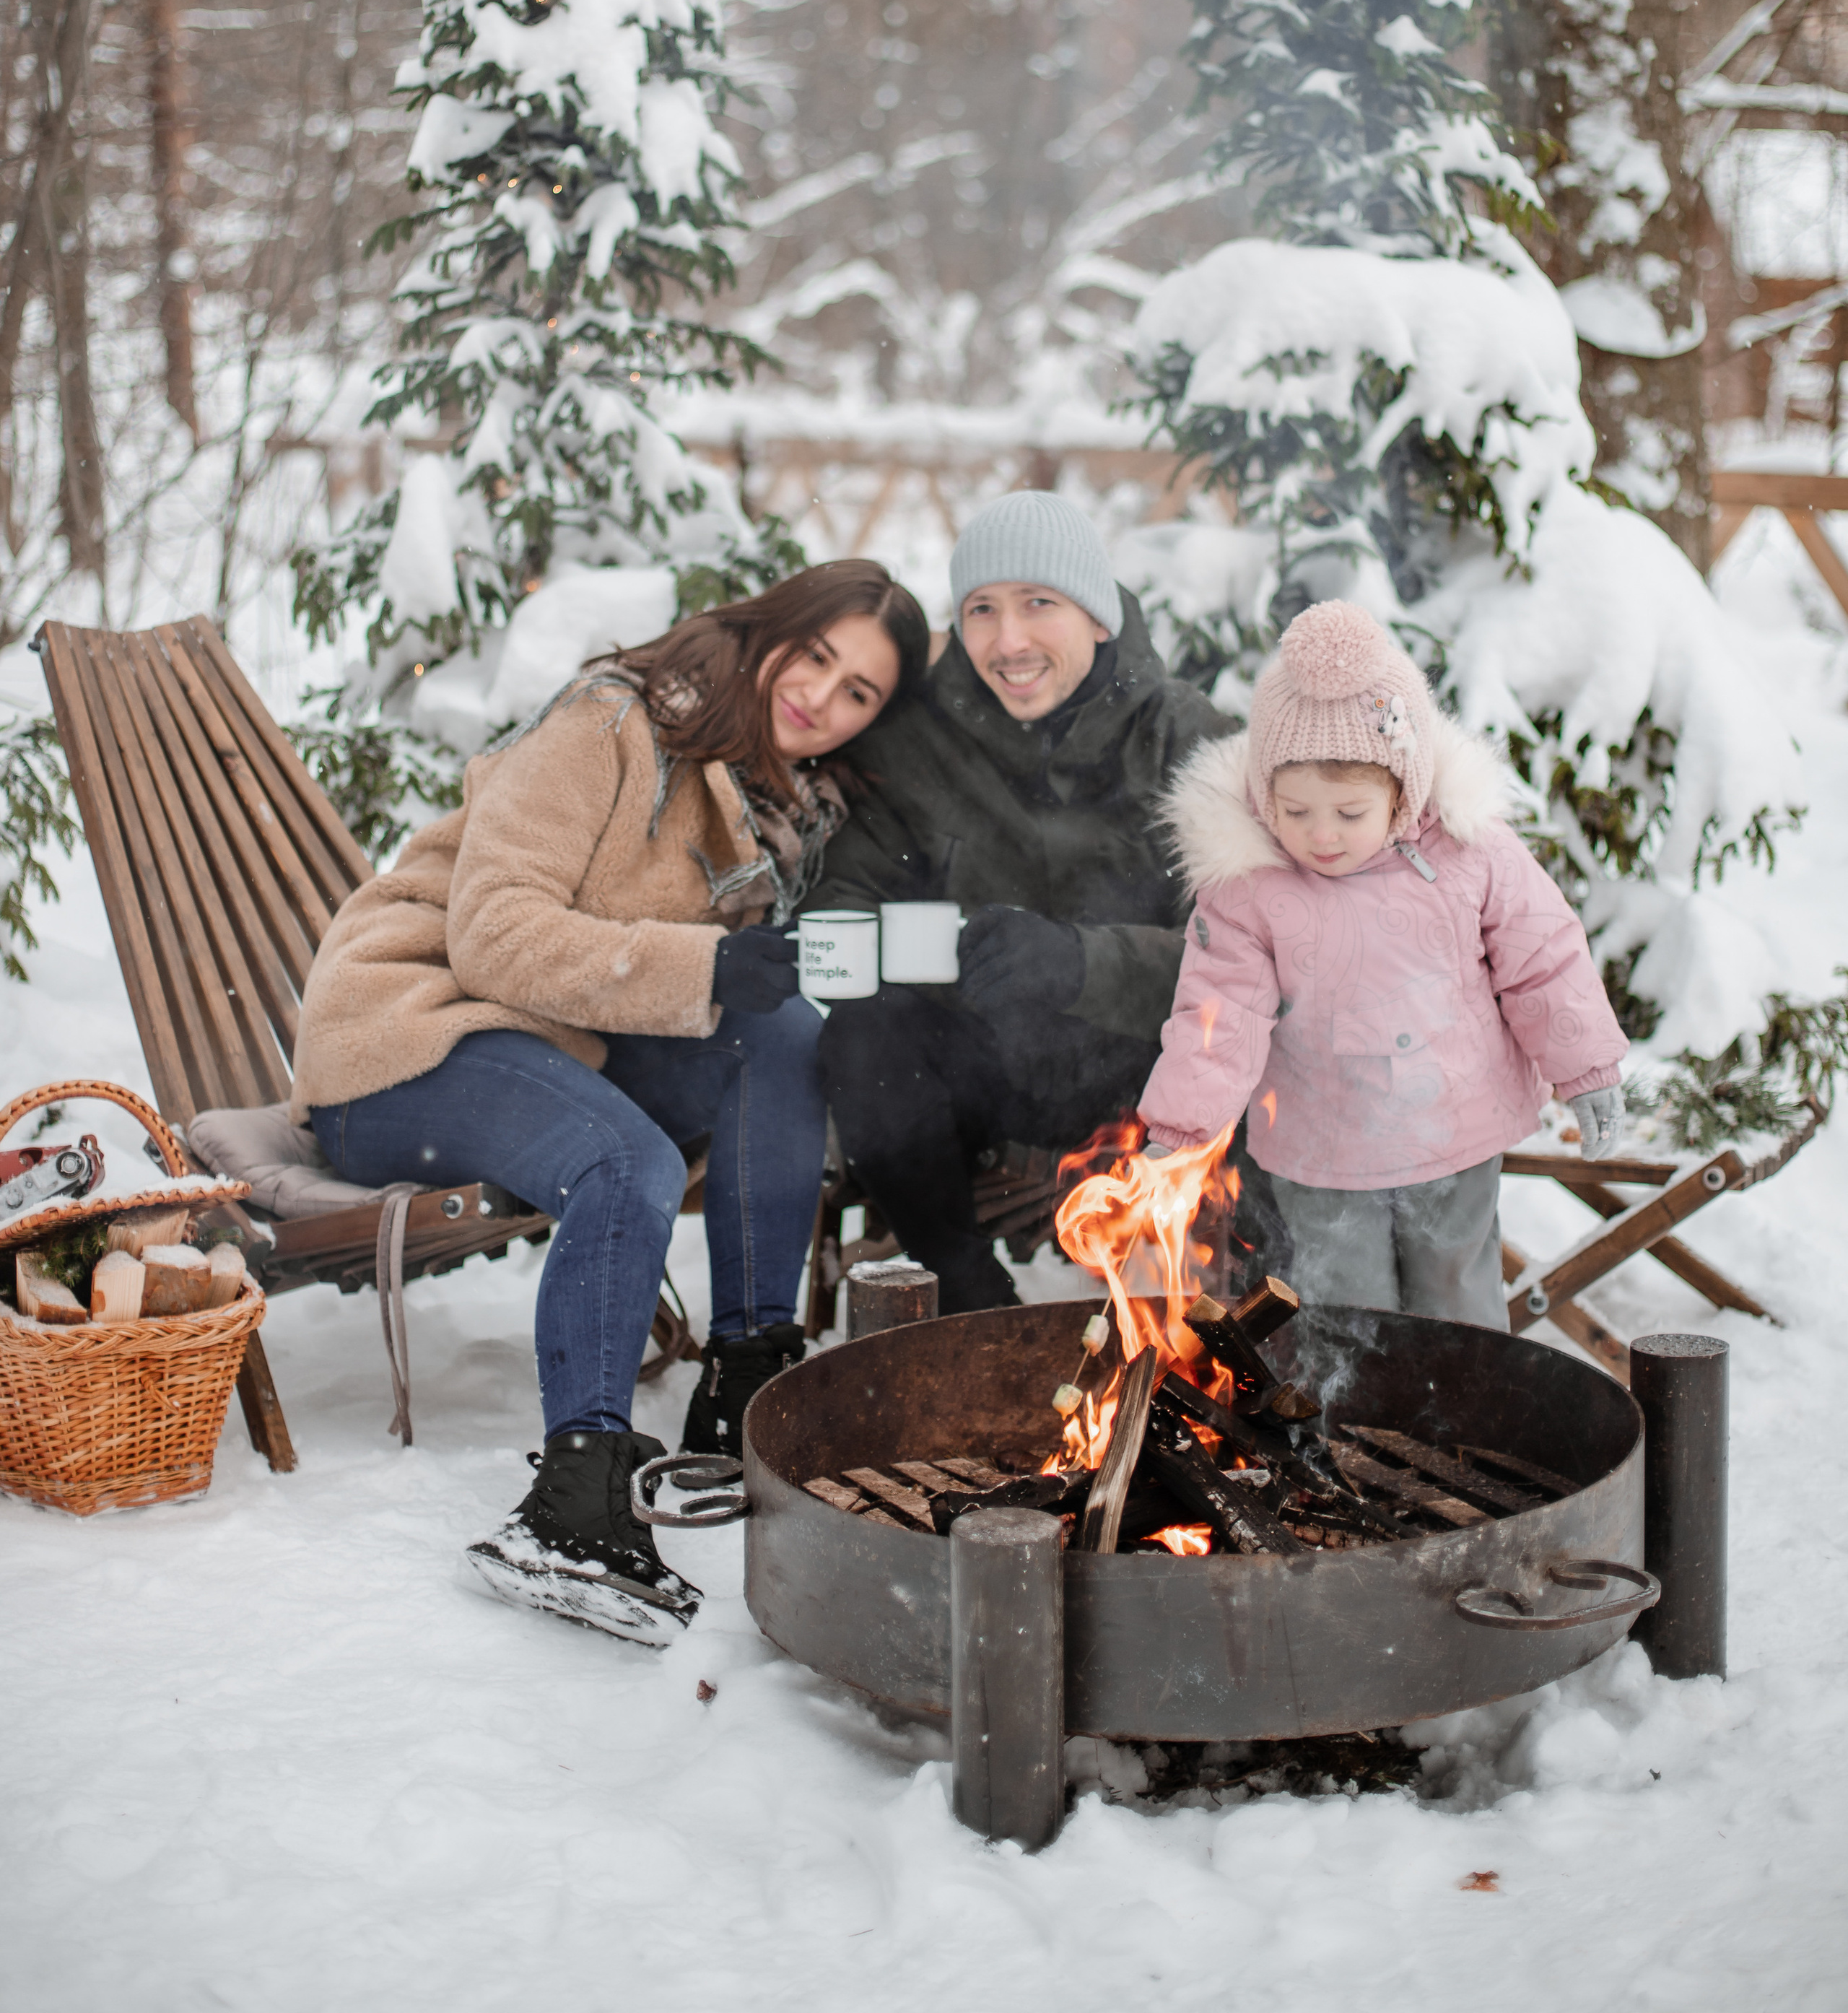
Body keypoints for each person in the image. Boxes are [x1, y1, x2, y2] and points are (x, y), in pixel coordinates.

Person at [292, 559, 928, 1642]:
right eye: (815, 655)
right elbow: (492, 935)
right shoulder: (612, 722)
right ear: (770, 628)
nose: (820, 696)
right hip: (407, 1042)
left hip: (554, 1052)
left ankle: (745, 1391)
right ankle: (573, 1502)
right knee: (625, 1159)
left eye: (858, 690)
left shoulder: (781, 810)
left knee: (782, 1033)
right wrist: (705, 966)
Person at [1137, 599, 1628, 1326]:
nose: (1321, 836)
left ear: (1403, 790)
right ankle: (1363, 1401)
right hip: (1323, 1146)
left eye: (1349, 813)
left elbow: (1543, 957)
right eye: (1296, 811)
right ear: (1264, 794)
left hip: (1452, 1129)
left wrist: (1585, 1067)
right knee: (1350, 1311)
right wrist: (1181, 1132)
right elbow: (1219, 1015)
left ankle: (1470, 1399)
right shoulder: (1249, 886)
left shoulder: (1469, 850)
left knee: (1455, 1299)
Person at [811, 492, 1232, 1312]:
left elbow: (1247, 948)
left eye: (1039, 603)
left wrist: (1081, 963)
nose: (1008, 642)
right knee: (862, 1034)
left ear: (1098, 618)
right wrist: (945, 950)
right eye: (982, 609)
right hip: (978, 1073)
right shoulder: (913, 741)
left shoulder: (1183, 737)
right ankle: (968, 1297)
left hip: (1142, 1077)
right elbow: (842, 904)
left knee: (1258, 1036)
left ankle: (1238, 1306)